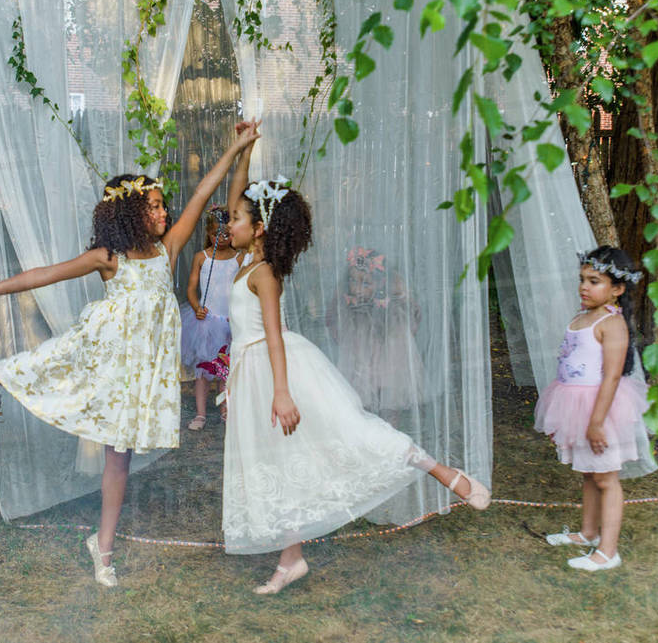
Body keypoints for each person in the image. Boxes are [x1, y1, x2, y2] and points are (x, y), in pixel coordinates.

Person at [0, 122, 261, 588]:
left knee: (118, 458)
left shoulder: (168, 251)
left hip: (134, 377)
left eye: (165, 205)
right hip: (95, 356)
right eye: (156, 207)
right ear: (131, 215)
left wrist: (237, 146)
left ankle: (101, 549)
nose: (166, 212)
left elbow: (206, 193)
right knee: (18, 369)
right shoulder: (109, 258)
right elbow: (43, 275)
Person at [219, 141, 489, 595]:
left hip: (278, 370)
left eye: (237, 219)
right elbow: (236, 196)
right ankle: (292, 559)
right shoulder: (245, 258)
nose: (228, 222)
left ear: (259, 228)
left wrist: (281, 392)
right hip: (252, 374)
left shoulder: (263, 273)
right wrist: (244, 149)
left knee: (351, 433)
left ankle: (444, 472)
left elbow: (274, 336)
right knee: (284, 463)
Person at [534, 246, 657, 572]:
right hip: (574, 405)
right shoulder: (580, 318)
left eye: (595, 281)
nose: (584, 287)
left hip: (601, 409)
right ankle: (588, 533)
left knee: (606, 478)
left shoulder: (611, 324)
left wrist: (597, 423)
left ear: (617, 289)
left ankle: (608, 550)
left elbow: (613, 376)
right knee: (588, 472)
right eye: (582, 280)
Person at [326, 246, 422, 415]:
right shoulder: (346, 296)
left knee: (390, 397)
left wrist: (397, 301)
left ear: (380, 282)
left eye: (366, 283)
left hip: (388, 351)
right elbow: (331, 317)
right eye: (353, 281)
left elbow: (413, 314)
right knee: (362, 398)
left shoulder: (392, 295)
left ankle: (392, 434)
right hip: (361, 351)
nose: (357, 289)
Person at [179, 205, 242, 429]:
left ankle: (226, 410)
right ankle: (201, 414)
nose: (221, 238)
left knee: (226, 370)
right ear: (208, 233)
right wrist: (197, 307)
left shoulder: (239, 258)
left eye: (226, 234)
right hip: (207, 323)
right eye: (216, 233)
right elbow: (191, 289)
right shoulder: (201, 257)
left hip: (229, 321)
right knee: (204, 371)